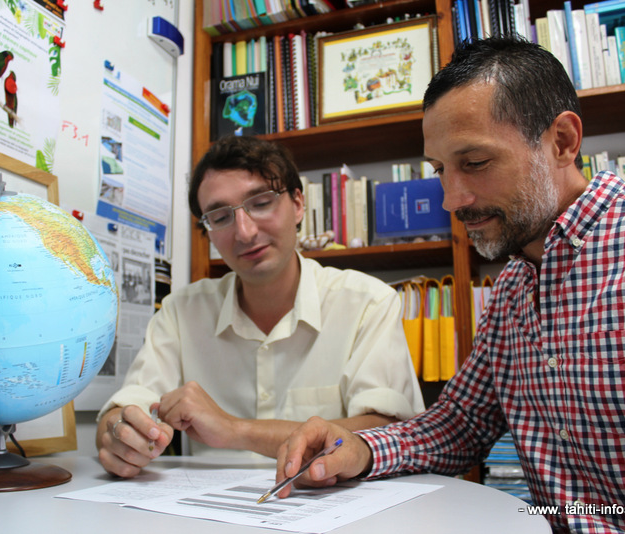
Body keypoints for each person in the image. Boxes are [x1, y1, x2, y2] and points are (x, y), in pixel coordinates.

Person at [273, 36, 625, 533]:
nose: (451, 199)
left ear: (562, 141)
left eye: (474, 163)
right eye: (440, 170)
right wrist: (359, 448)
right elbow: (461, 423)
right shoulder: (514, 287)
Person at [96, 135, 425, 478]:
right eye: (220, 217)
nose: (245, 232)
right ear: (209, 231)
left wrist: (233, 429)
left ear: (298, 204)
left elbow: (387, 434)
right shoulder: (182, 312)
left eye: (261, 202)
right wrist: (119, 434)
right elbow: (124, 409)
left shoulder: (367, 303)